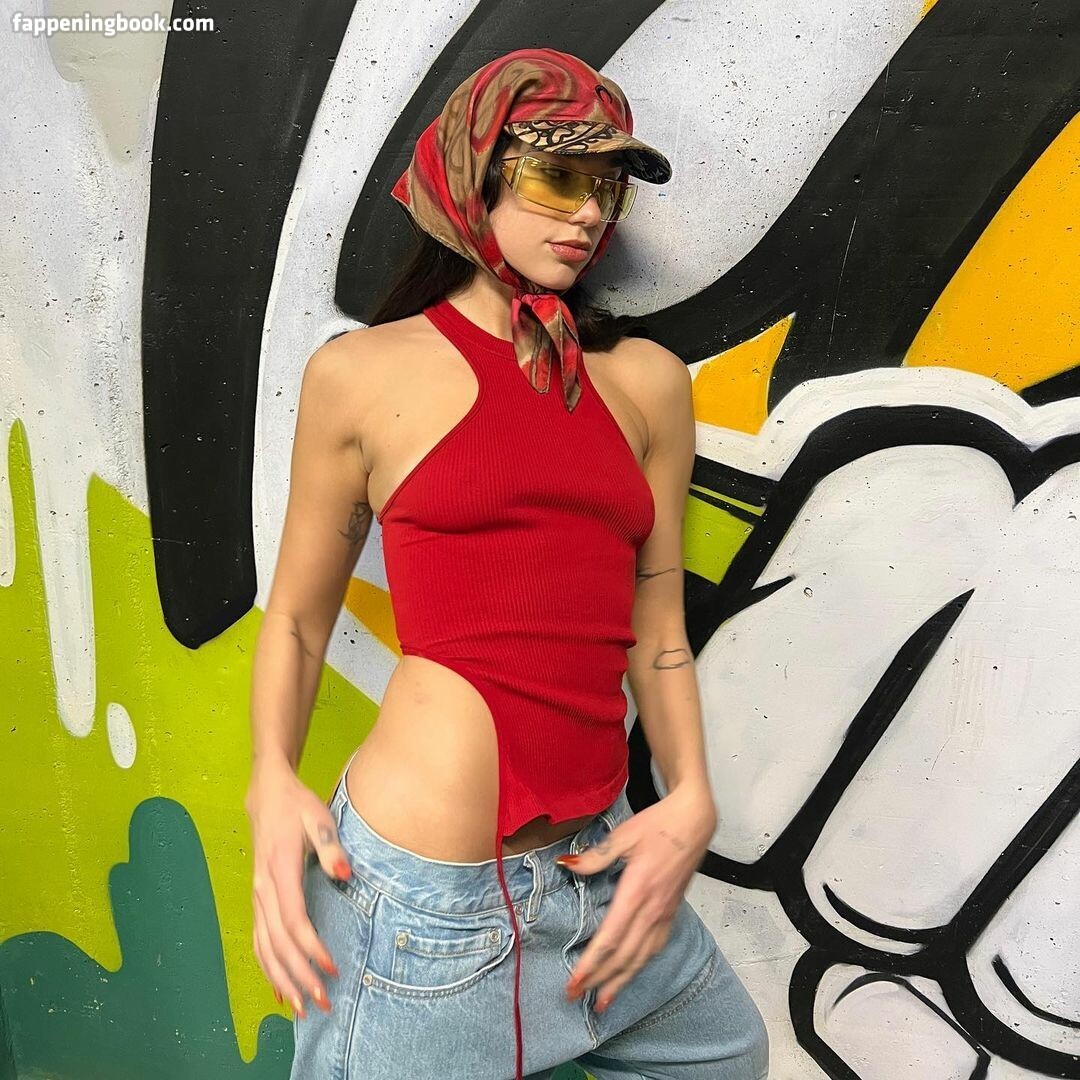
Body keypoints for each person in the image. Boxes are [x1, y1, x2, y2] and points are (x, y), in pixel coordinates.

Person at [245, 47, 769, 1080]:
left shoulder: (646, 383)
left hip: (600, 867)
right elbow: (298, 618)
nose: (589, 214)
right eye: (558, 177)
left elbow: (658, 627)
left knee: (726, 1057)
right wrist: (270, 777)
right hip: (428, 901)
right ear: (470, 176)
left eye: (606, 189)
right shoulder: (361, 375)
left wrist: (691, 798)